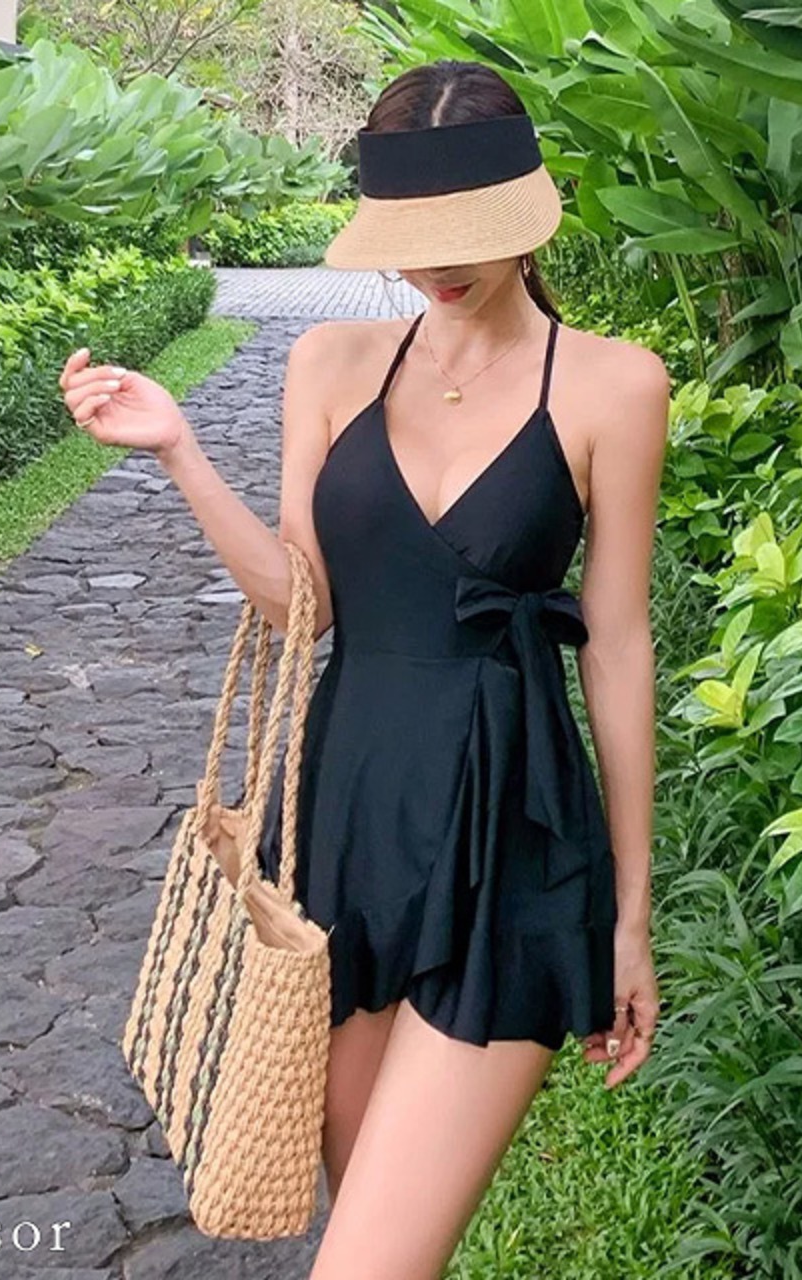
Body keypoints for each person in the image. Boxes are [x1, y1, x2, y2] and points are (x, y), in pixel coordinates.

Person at [59, 57, 669, 1280]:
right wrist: (180, 452)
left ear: (524, 212)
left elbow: (615, 644)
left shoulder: (613, 382)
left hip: (509, 833)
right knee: (367, 1239)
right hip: (345, 818)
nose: (435, 266)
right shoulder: (332, 362)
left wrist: (630, 912)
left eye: (463, 235)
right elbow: (304, 605)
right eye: (411, 238)